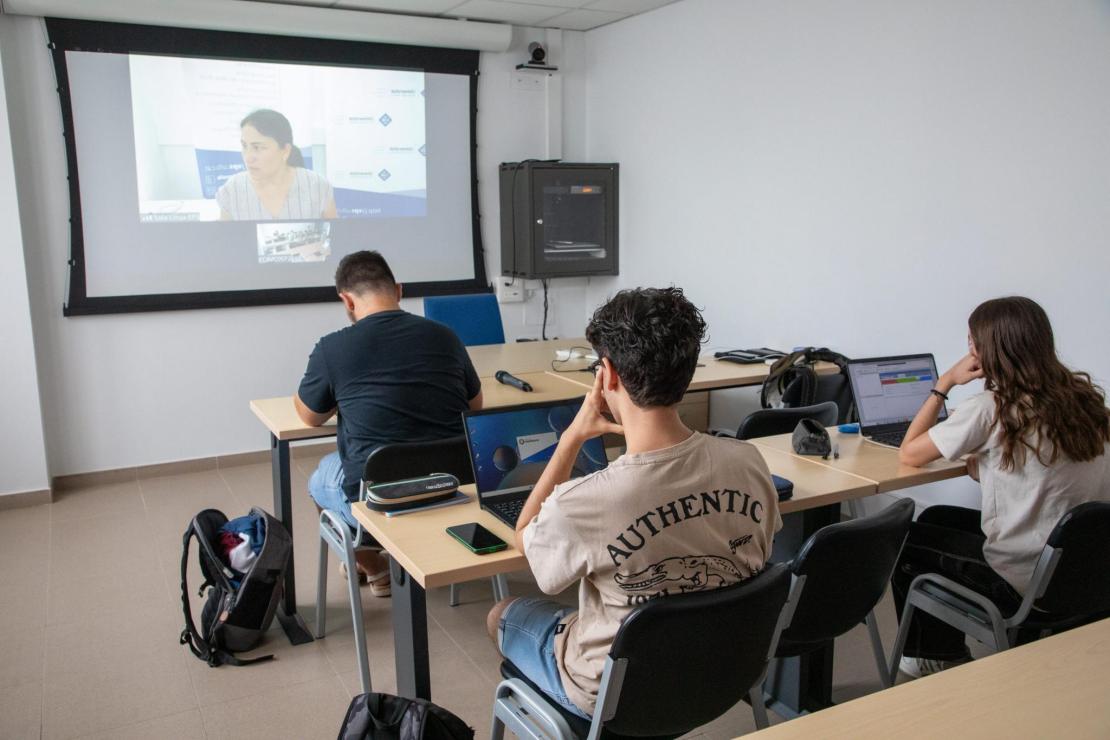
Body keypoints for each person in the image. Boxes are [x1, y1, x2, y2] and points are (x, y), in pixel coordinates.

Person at [485, 287, 782, 719]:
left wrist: (569, 439)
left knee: (501, 614)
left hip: (616, 698)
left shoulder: (583, 502)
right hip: (721, 671)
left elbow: (523, 542)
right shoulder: (749, 463)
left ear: (606, 375)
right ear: (688, 371)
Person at [895, 296, 1110, 677]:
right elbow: (1037, 474)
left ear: (990, 351)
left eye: (972, 344)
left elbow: (910, 453)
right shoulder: (1086, 403)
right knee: (939, 516)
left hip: (1024, 582)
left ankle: (934, 656)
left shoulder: (990, 408)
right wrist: (987, 464)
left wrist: (944, 382)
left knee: (907, 539)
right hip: (1087, 572)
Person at [295, 251, 483, 595]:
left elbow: (308, 416)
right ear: (398, 290)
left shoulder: (332, 348)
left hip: (379, 501)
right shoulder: (446, 336)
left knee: (320, 478)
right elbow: (475, 405)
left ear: (346, 300)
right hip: (453, 489)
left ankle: (375, 567)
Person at [217, 109, 338, 221]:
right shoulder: (233, 190)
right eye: (244, 146)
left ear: (285, 151)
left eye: (258, 148)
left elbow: (336, 239)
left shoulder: (317, 186)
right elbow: (225, 241)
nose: (248, 158)